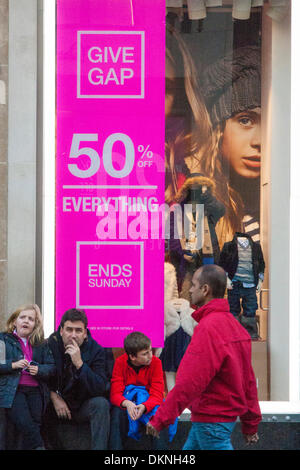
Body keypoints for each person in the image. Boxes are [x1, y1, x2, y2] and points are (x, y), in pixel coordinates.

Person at [146, 264, 261, 450]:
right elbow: (248, 381)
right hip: (216, 419)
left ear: (205, 289)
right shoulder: (235, 328)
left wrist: (161, 419)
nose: (190, 289)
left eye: (193, 285)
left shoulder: (208, 329)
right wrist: (250, 422)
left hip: (211, 418)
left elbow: (189, 381)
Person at [200, 46, 261, 248]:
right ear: (218, 130)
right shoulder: (199, 205)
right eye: (245, 120)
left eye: (271, 124)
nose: (259, 140)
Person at [43, 308, 110, 450]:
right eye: (69, 329)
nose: (73, 335)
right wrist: (54, 396)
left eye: (78, 330)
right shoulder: (50, 345)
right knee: (37, 399)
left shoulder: (96, 350)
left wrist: (80, 364)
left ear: (85, 333)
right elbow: (39, 376)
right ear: (61, 331)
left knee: (101, 404)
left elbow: (100, 387)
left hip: (81, 405)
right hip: (56, 405)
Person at [0, 304, 55, 450]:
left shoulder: (41, 344)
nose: (26, 321)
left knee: (34, 425)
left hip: (36, 390)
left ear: (35, 325)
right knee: (25, 423)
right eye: (22, 317)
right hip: (14, 390)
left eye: (31, 319)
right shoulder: (3, 340)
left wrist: (39, 369)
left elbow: (51, 367)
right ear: (14, 322)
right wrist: (14, 365)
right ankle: (40, 447)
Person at [109, 331, 168, 450]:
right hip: (128, 402)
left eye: (150, 351)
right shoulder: (120, 362)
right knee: (116, 414)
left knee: (160, 413)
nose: (150, 355)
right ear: (132, 357)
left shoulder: (156, 363)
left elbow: (157, 393)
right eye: (145, 354)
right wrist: (127, 403)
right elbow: (115, 394)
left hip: (148, 402)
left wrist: (144, 406)